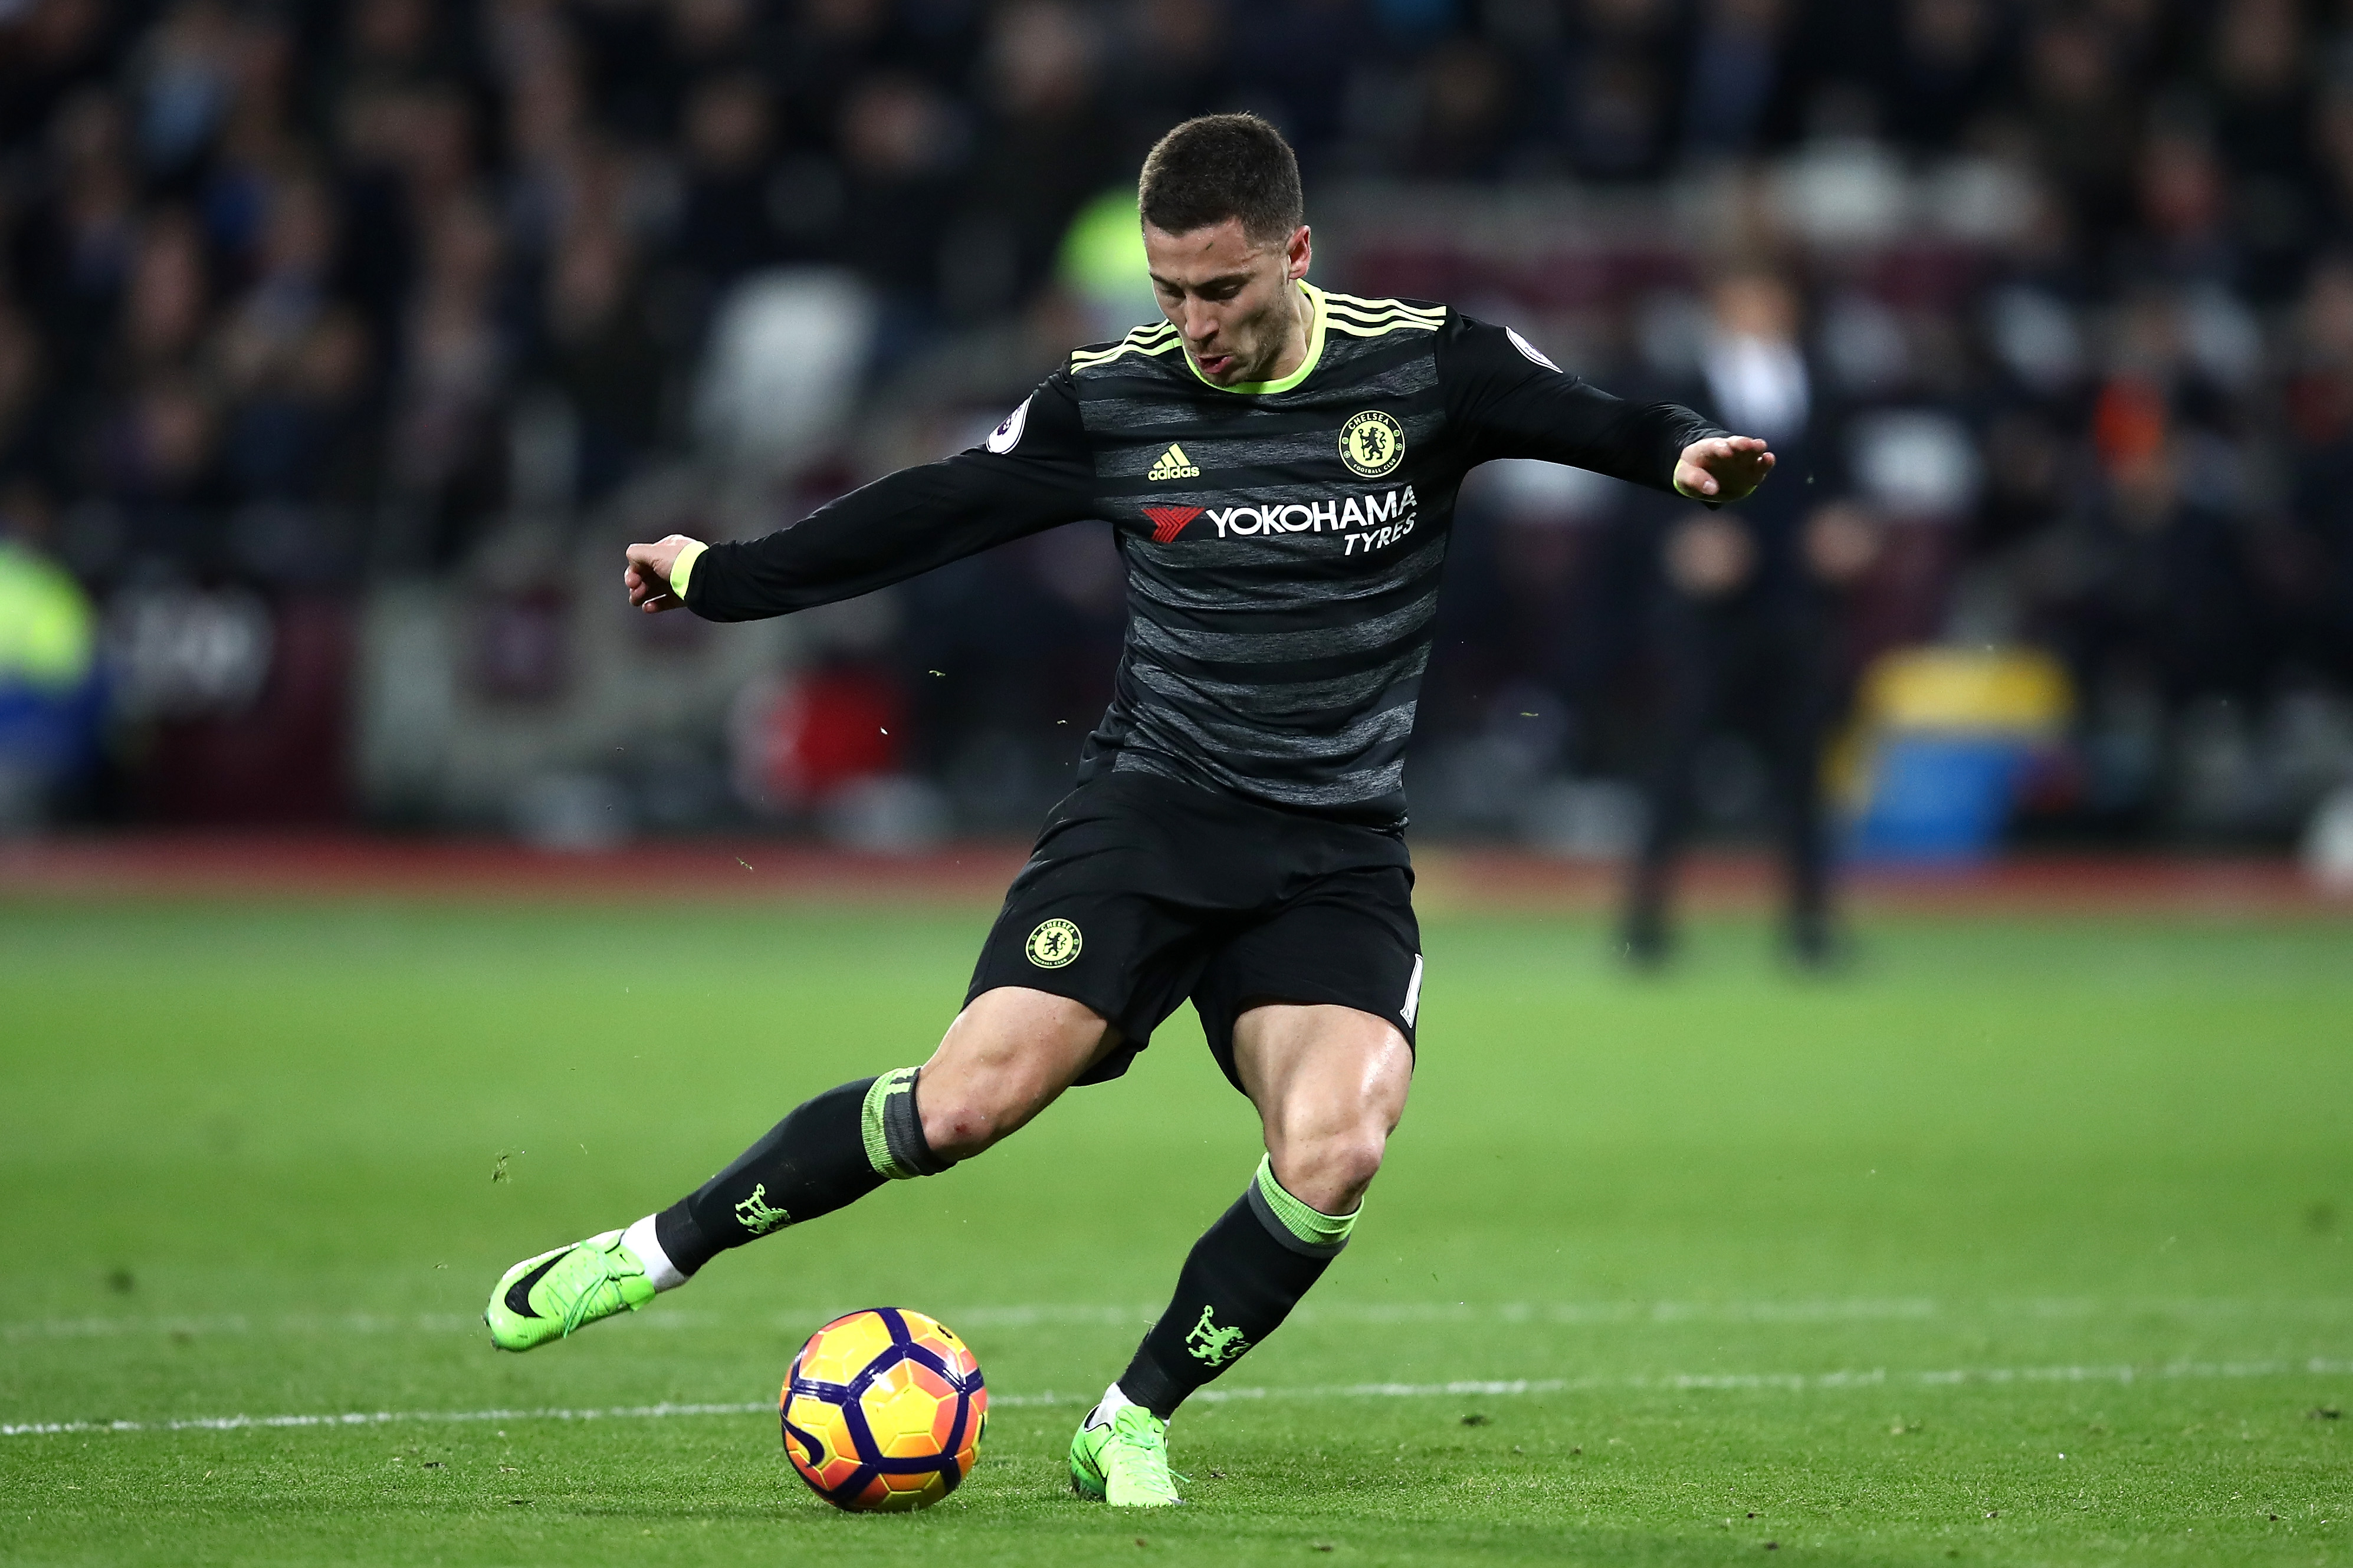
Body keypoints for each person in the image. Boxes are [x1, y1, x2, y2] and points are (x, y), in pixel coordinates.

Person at [483, 113, 1774, 1507]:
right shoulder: (1113, 400)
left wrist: (1684, 453)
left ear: (1294, 252)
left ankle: (1128, 1412)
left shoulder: (1427, 363)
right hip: (1152, 814)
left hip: (1330, 849)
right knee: (965, 1104)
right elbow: (929, 507)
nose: (1192, 322)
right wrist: (717, 575)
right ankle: (649, 1248)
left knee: (1336, 1145)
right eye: (1167, 291)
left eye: (1219, 289)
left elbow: (1600, 415)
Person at [1623, 269, 1864, 968]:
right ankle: (1647, 921)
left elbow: (1844, 483)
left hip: (1794, 605)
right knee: (1677, 765)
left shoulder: (1822, 386)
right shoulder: (1678, 387)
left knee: (1801, 771)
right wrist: (1682, 540)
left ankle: (1810, 924)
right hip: (1706, 616)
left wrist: (1846, 528)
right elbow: (1636, 484)